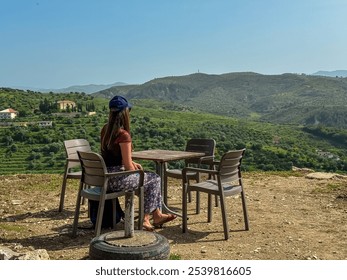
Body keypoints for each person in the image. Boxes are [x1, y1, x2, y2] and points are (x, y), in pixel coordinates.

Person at [100, 95, 176, 231]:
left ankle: (157, 214)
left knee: (147, 179)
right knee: (154, 179)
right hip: (117, 180)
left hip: (106, 177)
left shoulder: (105, 130)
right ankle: (146, 219)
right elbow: (128, 166)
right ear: (125, 113)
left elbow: (118, 158)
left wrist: (134, 164)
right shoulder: (123, 135)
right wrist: (135, 168)